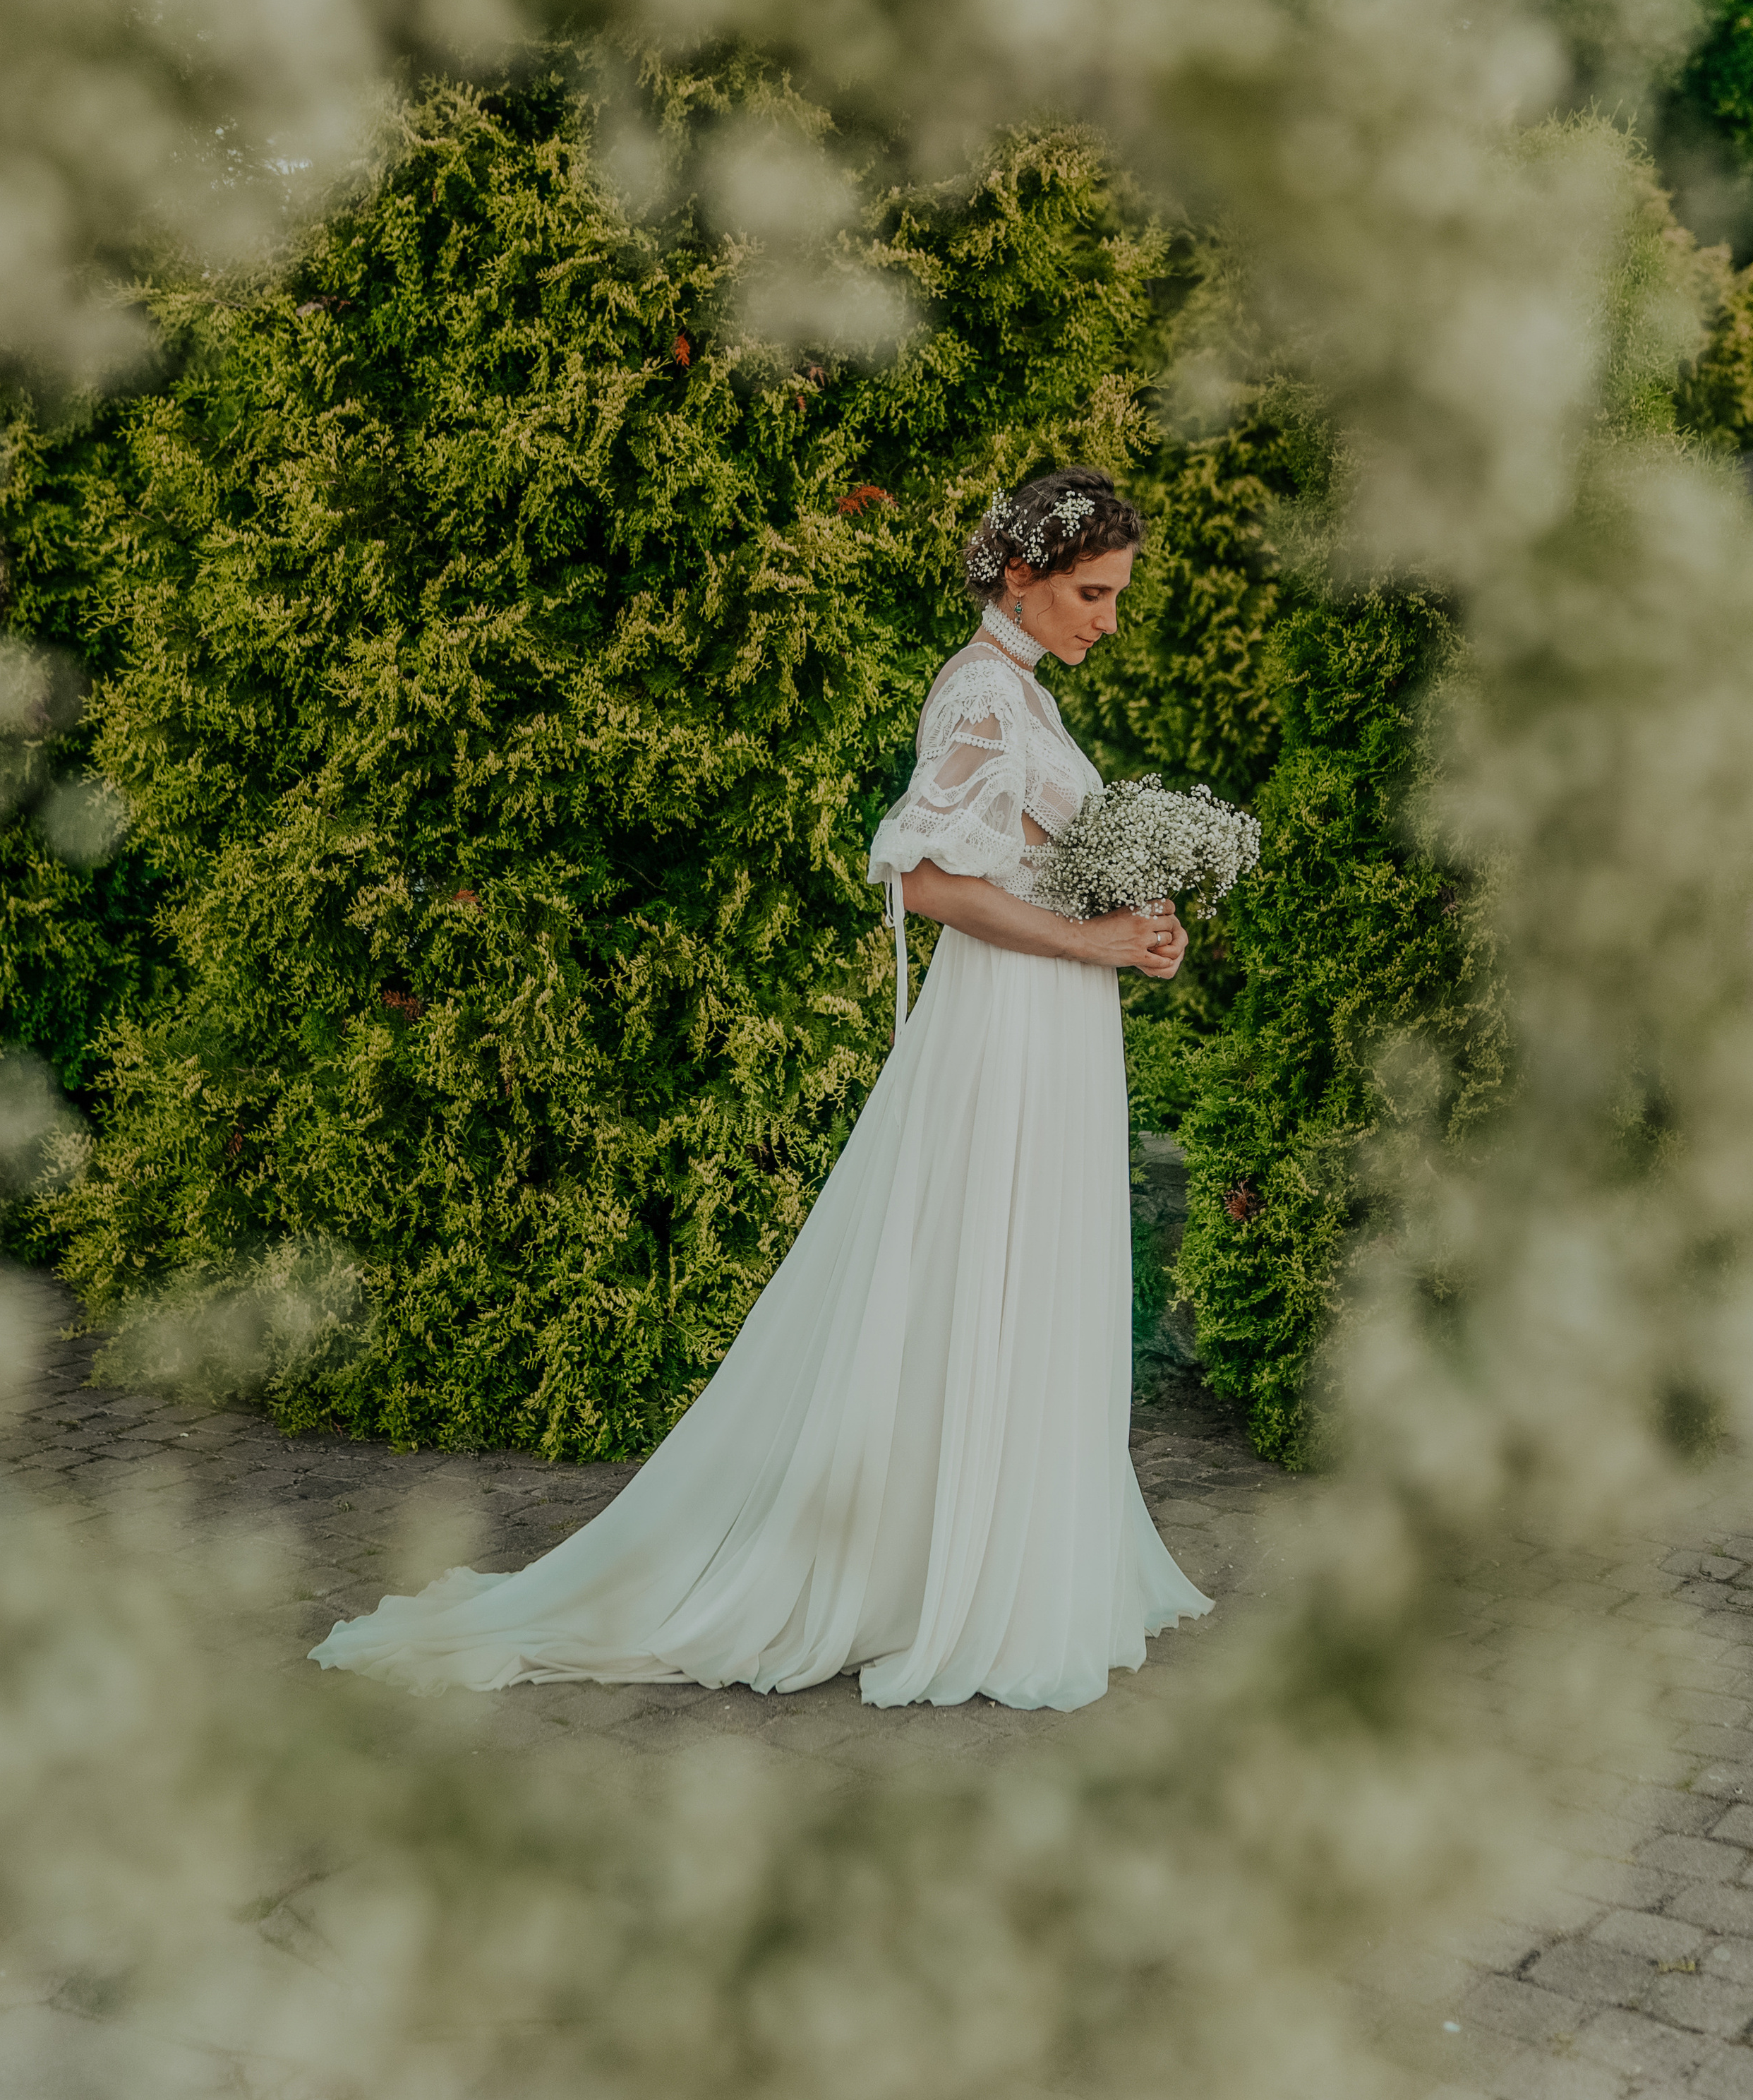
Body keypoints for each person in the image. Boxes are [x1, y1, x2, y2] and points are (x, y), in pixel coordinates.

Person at [309, 466, 1212, 1712]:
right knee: (973, 1265)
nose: (1110, 618)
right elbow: (924, 881)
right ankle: (941, 1573)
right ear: (1021, 574)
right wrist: (1091, 941)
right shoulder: (980, 697)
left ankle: (1012, 1546)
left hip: (1055, 1024)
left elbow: (1041, 864)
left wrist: (1140, 921)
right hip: (1004, 1029)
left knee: (1028, 1268)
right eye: (1094, 592)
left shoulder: (1029, 701)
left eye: (1116, 595)